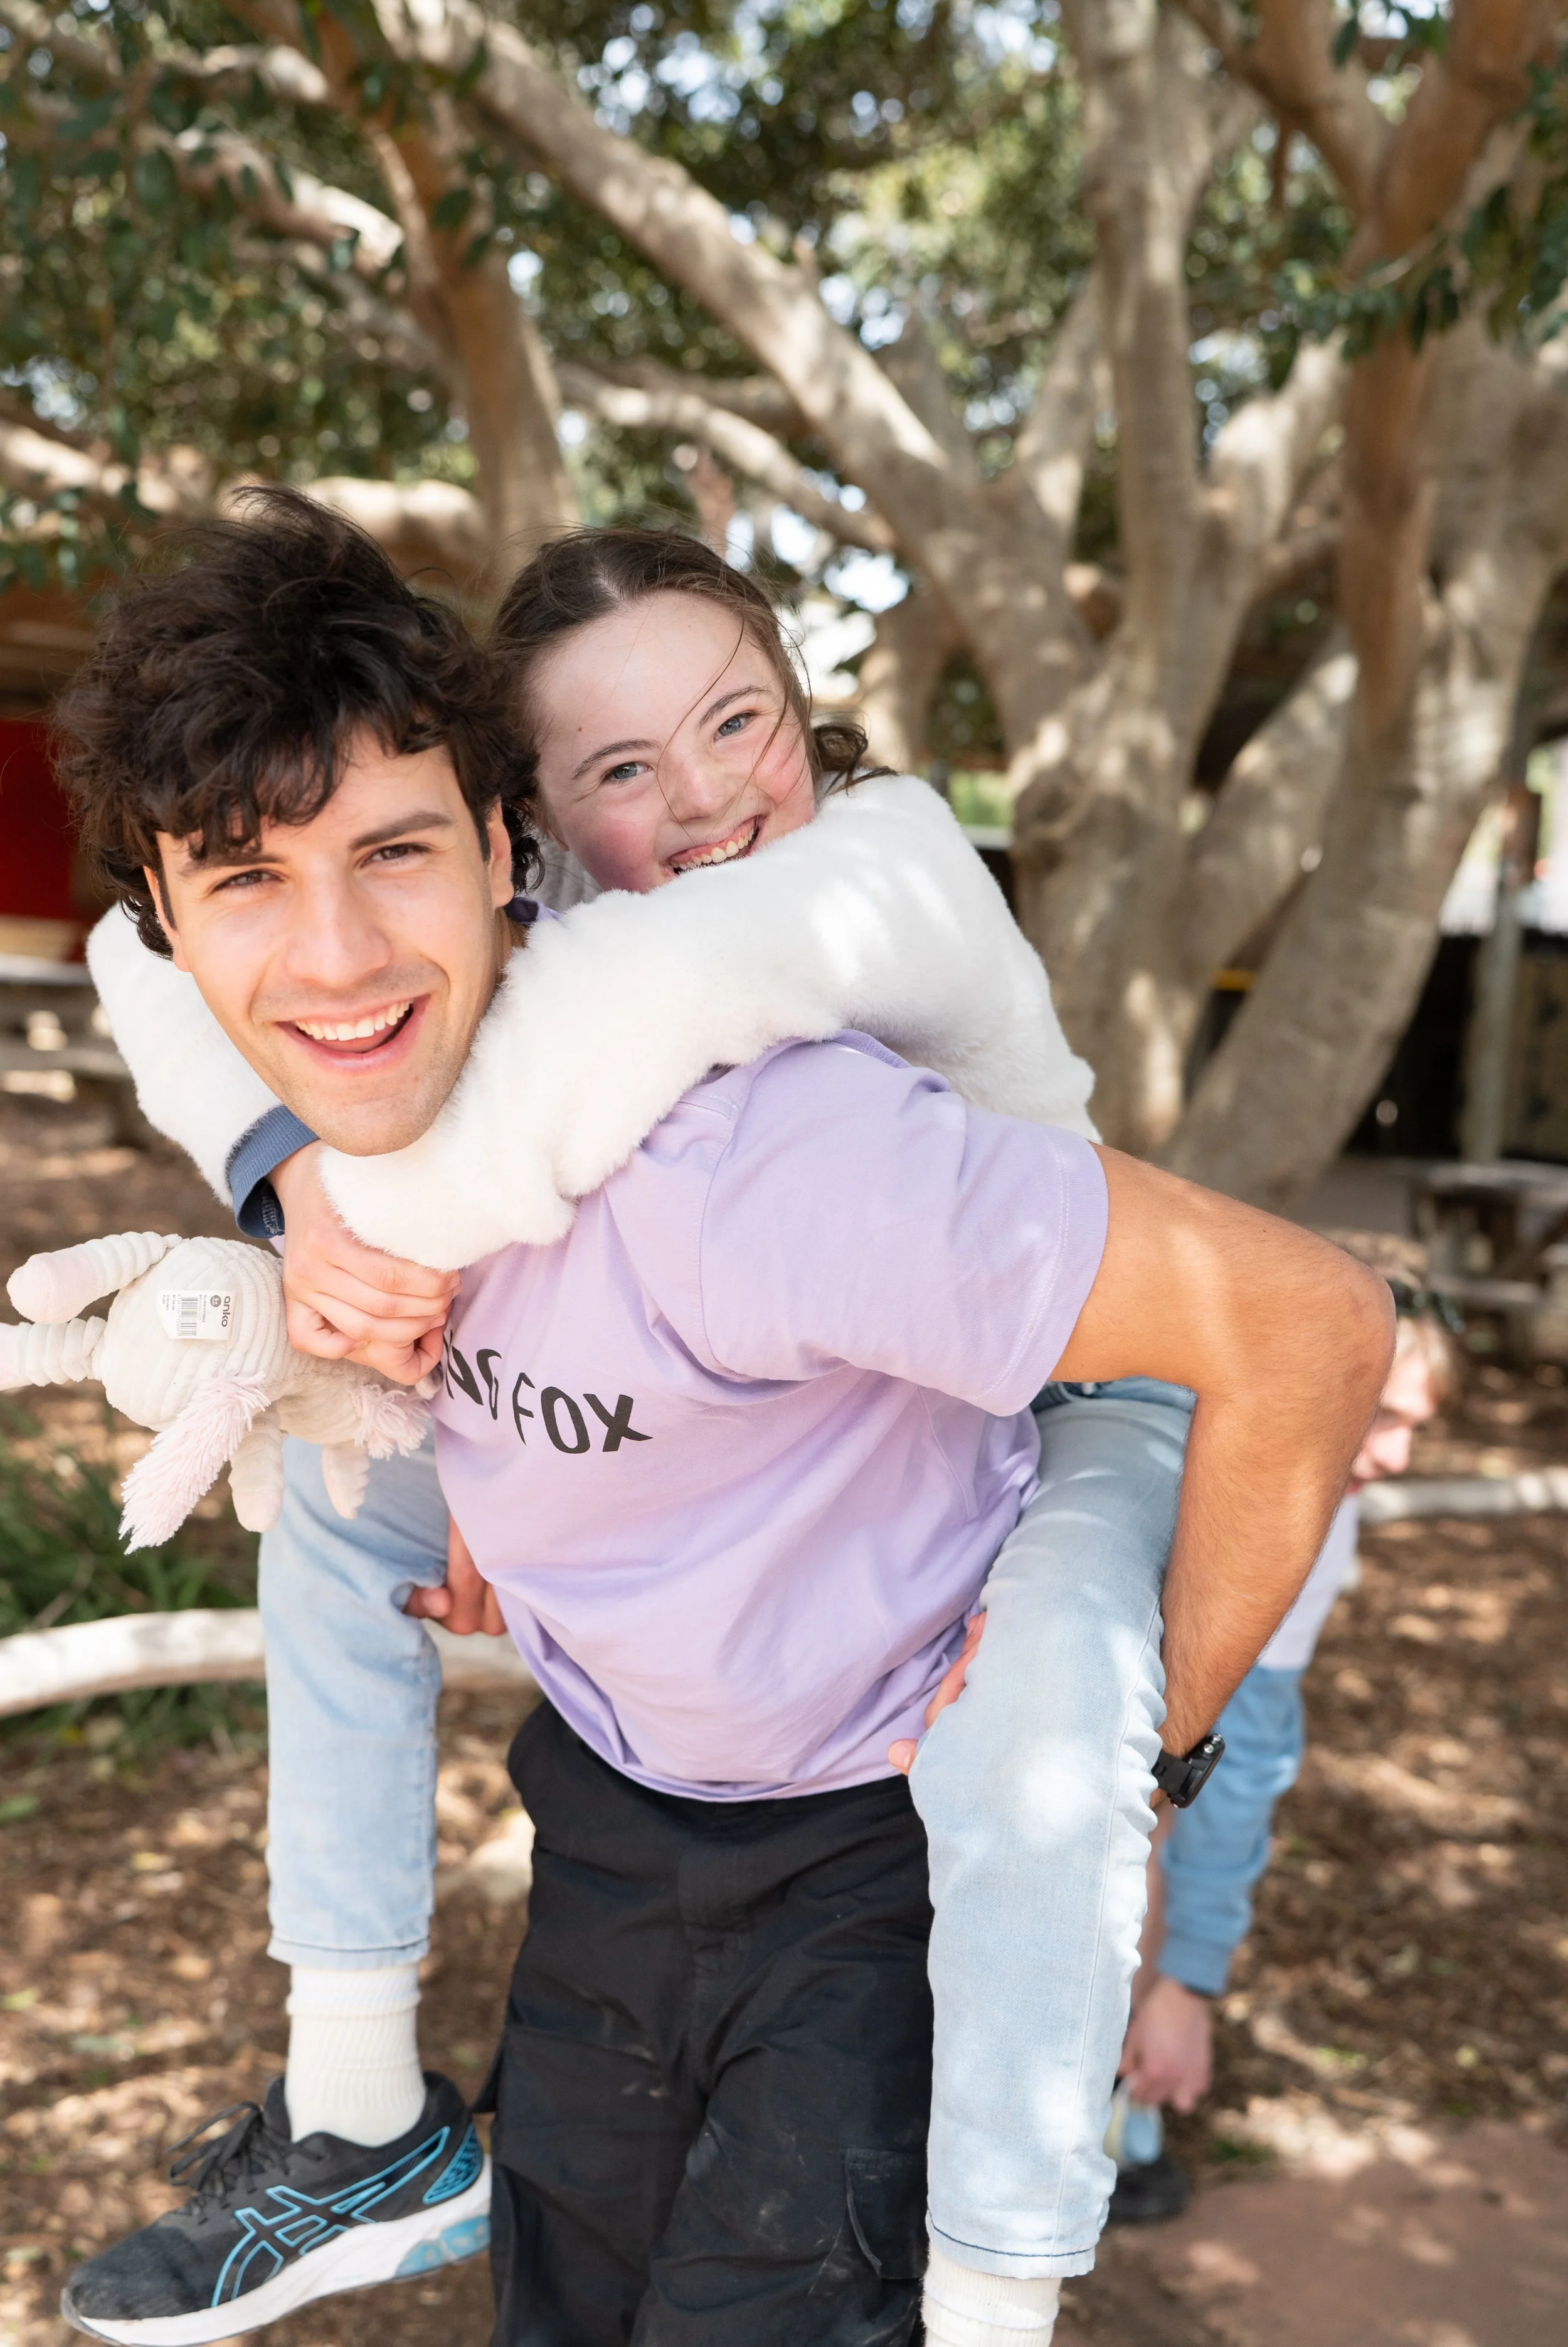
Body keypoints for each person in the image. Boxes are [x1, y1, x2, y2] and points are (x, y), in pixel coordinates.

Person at [53, 497, 1391, 2347]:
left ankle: (1010, 2274)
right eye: (250, 883)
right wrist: (300, 1199)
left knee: (1039, 1757)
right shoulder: (392, 1115)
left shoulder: (756, 1101)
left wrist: (1143, 1749)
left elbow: (1312, 1323)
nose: (701, 800)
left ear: (502, 852)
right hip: (616, 1813)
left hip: (872, 1839)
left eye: (737, 724)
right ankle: (358, 2107)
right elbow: (185, 968)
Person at [1107, 1245, 1459, 2222]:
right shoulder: (1152, 1433)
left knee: (1166, 1802)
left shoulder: (1320, 1515)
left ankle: (1117, 2081)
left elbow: (1238, 1754)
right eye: (1381, 1416)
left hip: (1132, 1748)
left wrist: (1189, 1979)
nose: (1394, 1461)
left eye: (1410, 1427)